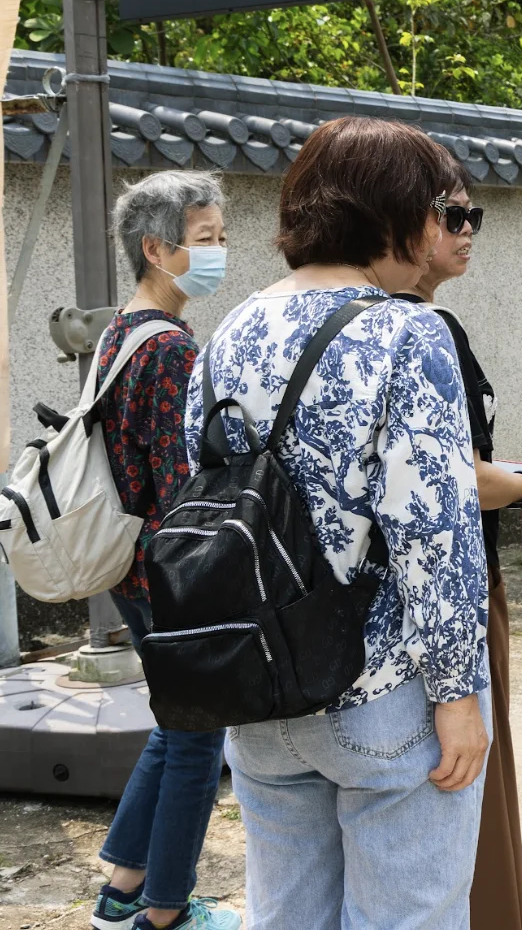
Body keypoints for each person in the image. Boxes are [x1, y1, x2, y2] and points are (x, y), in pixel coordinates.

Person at [186, 117, 492, 930]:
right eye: (435, 209)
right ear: (393, 214)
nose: (443, 228)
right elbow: (434, 532)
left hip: (260, 686)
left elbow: (201, 491)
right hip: (383, 690)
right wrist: (458, 691)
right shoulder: (408, 332)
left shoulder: (231, 330)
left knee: (286, 916)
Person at [397, 157, 522, 930]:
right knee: (467, 794)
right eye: (451, 215)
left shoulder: (365, 323)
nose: (467, 231)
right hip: (451, 597)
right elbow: (456, 477)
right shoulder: (425, 333)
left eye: (474, 217)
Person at [89, 171, 239, 930]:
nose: (219, 252)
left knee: (175, 724)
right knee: (198, 741)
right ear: (156, 249)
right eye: (205, 239)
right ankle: (166, 912)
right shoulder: (173, 350)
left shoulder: (121, 331)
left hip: (131, 566)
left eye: (221, 236)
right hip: (172, 574)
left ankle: (122, 888)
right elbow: (185, 483)